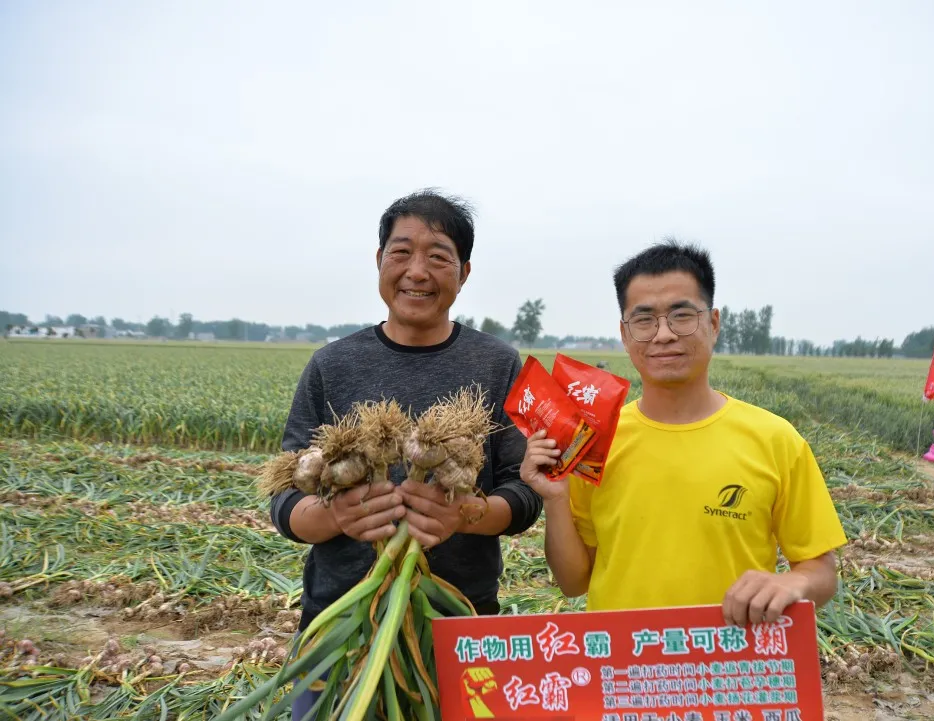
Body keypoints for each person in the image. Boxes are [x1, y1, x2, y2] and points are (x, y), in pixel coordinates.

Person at [269, 189, 542, 717]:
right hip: (337, 624)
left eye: (438, 256)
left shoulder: (498, 364)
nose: (417, 270)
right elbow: (284, 493)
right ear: (379, 262)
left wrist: (466, 513)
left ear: (463, 273)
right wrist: (331, 515)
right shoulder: (332, 365)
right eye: (401, 252)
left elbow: (524, 491)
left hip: (461, 624)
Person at [520, 239, 847, 627]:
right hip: (625, 667)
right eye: (644, 320)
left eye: (681, 315)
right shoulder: (596, 442)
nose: (663, 335)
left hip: (731, 668)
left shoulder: (775, 439)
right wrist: (556, 499)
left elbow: (821, 573)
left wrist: (793, 583)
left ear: (713, 323)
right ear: (625, 335)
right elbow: (574, 582)